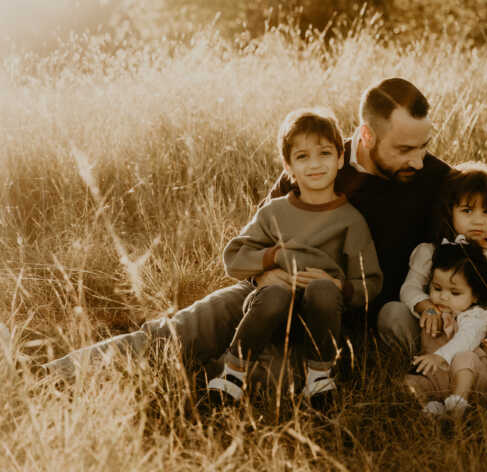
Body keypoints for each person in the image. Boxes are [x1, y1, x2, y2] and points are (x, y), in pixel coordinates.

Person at [43, 78, 451, 382]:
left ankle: (205, 378)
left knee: (267, 375)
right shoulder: (319, 158)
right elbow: (261, 229)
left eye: (424, 145)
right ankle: (48, 376)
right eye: (404, 149)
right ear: (366, 135)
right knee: (187, 326)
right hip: (271, 292)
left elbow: (470, 251)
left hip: (343, 318)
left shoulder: (437, 182)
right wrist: (264, 271)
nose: (419, 160)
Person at [205, 108, 381, 404]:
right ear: (288, 166)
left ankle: (319, 377)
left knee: (323, 289)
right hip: (271, 316)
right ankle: (233, 372)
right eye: (302, 157)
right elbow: (234, 257)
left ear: (340, 158)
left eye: (324, 154)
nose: (314, 164)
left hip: (322, 321)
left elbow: (370, 283)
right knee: (274, 294)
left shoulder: (351, 220)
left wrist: (340, 287)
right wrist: (274, 257)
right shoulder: (274, 212)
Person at [398, 162, 487, 380]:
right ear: (449, 210)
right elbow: (409, 289)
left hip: (474, 342)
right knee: (392, 314)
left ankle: (462, 374)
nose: (478, 220)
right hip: (432, 330)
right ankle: (419, 361)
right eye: (467, 210)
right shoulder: (430, 251)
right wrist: (429, 308)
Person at [404, 239, 487, 419]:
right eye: (437, 288)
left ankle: (458, 405)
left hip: (470, 381)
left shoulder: (475, 317)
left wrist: (440, 357)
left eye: (455, 293)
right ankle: (431, 407)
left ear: (475, 295)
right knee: (409, 382)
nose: (444, 297)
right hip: (437, 380)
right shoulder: (433, 311)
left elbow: (465, 340)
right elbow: (408, 291)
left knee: (465, 357)